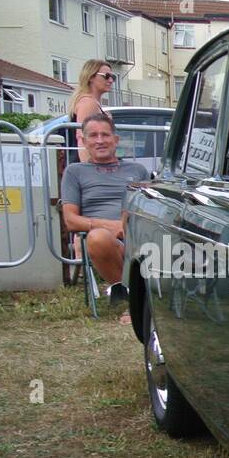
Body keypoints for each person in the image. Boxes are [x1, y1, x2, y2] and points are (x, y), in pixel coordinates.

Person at [60, 113, 149, 321]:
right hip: (104, 241)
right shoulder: (75, 172)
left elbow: (147, 207)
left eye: (105, 135)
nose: (100, 140)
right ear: (83, 141)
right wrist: (110, 226)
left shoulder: (137, 170)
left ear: (115, 140)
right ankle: (137, 303)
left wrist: (126, 224)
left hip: (137, 235)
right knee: (98, 237)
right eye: (93, 135)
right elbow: (70, 220)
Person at [67, 60, 116, 163]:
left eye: (113, 77)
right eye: (106, 76)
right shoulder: (88, 103)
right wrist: (88, 171)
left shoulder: (91, 102)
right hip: (86, 166)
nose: (111, 80)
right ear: (91, 77)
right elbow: (82, 139)